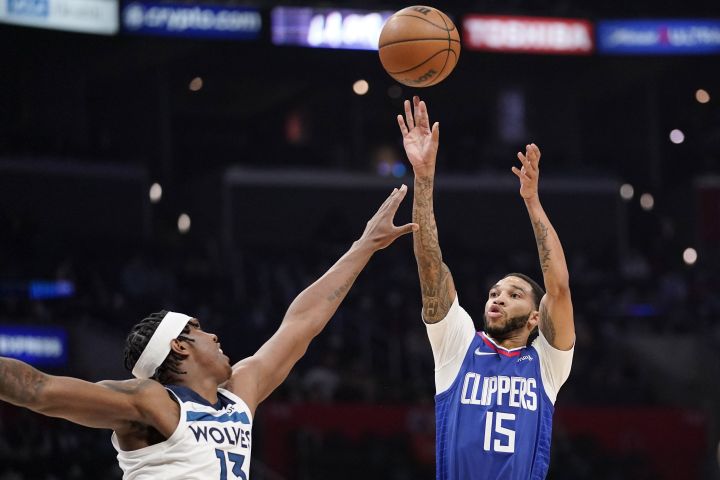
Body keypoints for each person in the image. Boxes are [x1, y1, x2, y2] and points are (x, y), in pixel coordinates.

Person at [0, 185, 417, 480]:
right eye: (197, 329)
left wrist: (364, 246)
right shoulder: (149, 400)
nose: (215, 335)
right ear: (178, 346)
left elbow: (302, 324)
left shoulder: (239, 394)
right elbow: (38, 389)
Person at [398, 96, 575, 479]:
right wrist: (423, 177)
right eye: (495, 292)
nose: (498, 297)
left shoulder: (546, 364)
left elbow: (558, 288)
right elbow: (430, 267)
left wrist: (532, 202)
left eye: (513, 294)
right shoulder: (458, 344)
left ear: (534, 318)